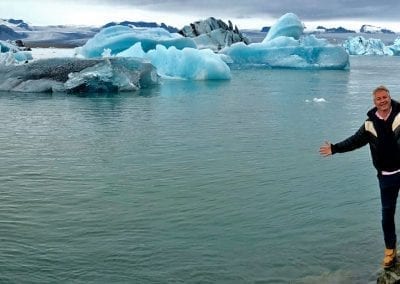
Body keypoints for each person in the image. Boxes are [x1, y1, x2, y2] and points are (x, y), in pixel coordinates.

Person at [319, 85, 400, 268]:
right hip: (386, 176)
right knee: (387, 214)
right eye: (378, 98)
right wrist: (335, 148)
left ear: (389, 97)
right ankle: (390, 251)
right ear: (374, 102)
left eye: (385, 97)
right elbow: (355, 141)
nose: (382, 100)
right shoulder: (369, 124)